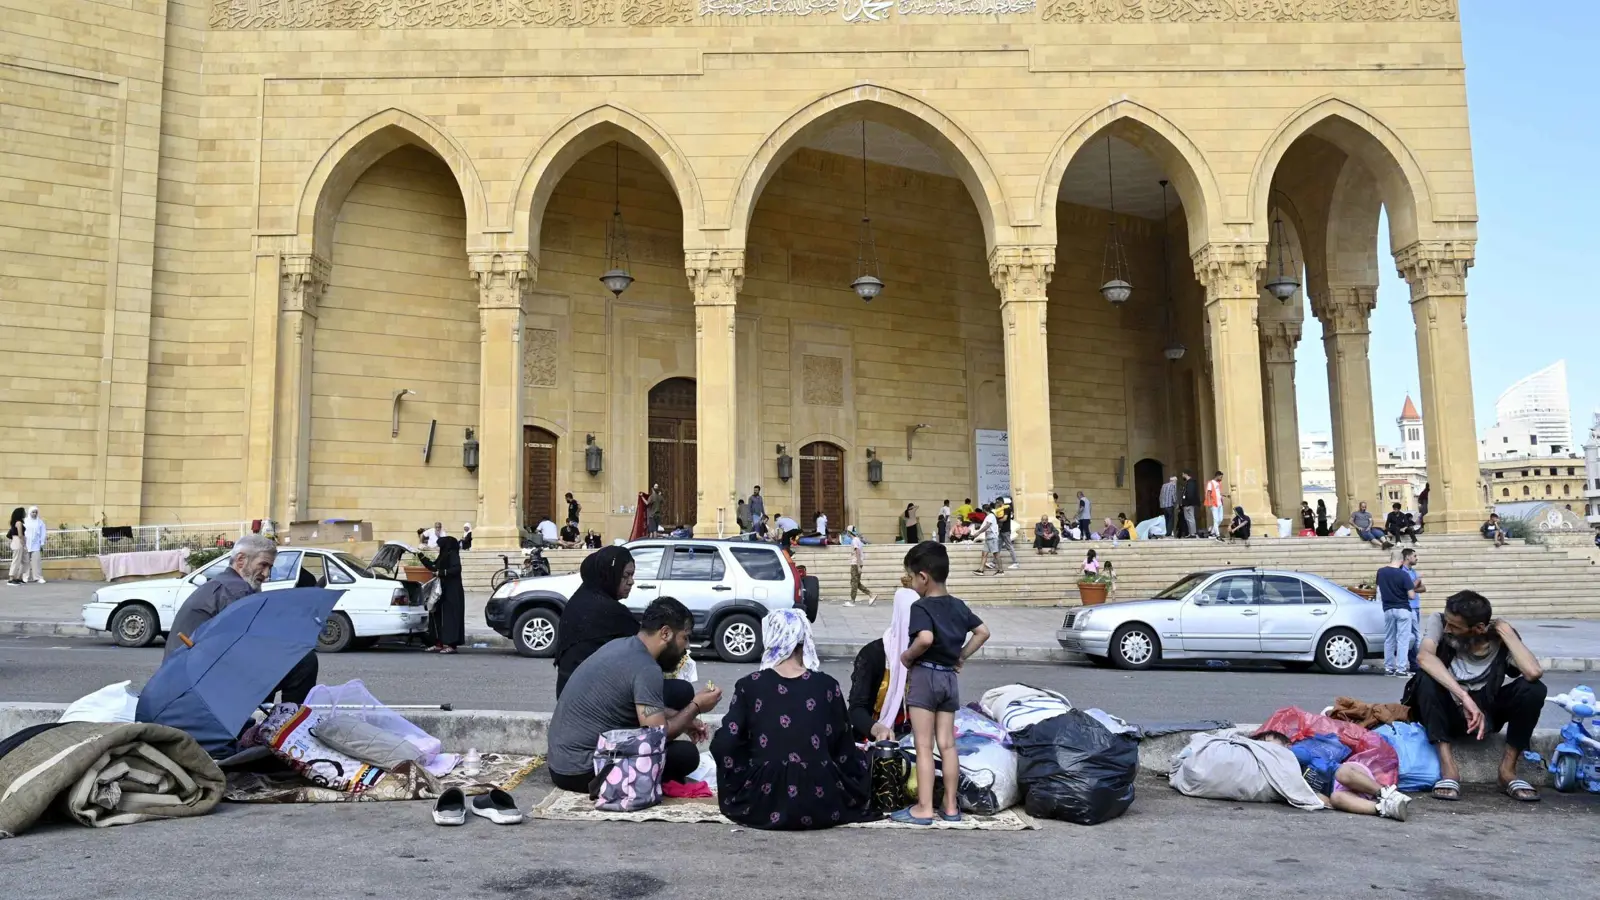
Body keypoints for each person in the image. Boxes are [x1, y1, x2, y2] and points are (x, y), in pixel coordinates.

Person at [712, 609, 871, 830]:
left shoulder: (750, 685)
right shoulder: (827, 685)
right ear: (803, 639)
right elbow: (843, 749)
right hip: (821, 799)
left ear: (770, 638)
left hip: (763, 801)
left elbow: (725, 744)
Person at [546, 597, 722, 794]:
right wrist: (696, 706)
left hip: (560, 763)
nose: (686, 646)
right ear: (665, 633)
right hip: (583, 772)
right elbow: (657, 736)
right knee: (686, 755)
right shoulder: (646, 668)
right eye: (685, 637)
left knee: (680, 691)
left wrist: (681, 719)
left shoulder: (623, 645)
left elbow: (640, 705)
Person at [1411, 590, 1546, 802]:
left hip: (1485, 712)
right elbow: (1424, 657)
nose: (1447, 629)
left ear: (1479, 628)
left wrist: (1505, 630)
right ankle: (1449, 770)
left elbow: (1533, 672)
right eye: (1448, 622)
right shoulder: (1439, 621)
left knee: (1534, 689)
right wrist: (1463, 697)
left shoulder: (1500, 641)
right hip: (1446, 708)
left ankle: (1507, 772)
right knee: (1425, 678)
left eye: (1455, 627)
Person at [894, 542, 990, 825]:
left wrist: (907, 656)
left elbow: (924, 638)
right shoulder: (959, 606)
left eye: (912, 577)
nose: (912, 583)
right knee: (947, 745)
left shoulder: (921, 606)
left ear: (923, 577)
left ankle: (923, 808)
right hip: (949, 677)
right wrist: (961, 656)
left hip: (925, 676)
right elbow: (983, 632)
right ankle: (950, 807)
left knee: (924, 745)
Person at [166, 535, 318, 703]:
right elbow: (254, 644)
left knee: (269, 664)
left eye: (270, 567)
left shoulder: (226, 584)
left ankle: (265, 720)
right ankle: (289, 720)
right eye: (263, 565)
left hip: (194, 675)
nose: (266, 574)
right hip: (201, 681)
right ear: (240, 560)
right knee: (304, 662)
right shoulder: (235, 591)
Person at [1254, 731, 1413, 821]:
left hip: (1348, 776)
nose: (1267, 748)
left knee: (1343, 773)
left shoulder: (1297, 751)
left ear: (1287, 744)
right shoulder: (1279, 773)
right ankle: (1385, 808)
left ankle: (1385, 793)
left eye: (1268, 742)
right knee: (1337, 799)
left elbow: (1303, 757)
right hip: (1339, 792)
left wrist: (1281, 753)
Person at [553, 546, 640, 697]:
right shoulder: (609, 611)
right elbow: (645, 648)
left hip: (568, 694)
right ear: (609, 575)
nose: (631, 582)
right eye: (626, 575)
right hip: (590, 700)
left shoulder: (579, 600)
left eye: (632, 575)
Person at [849, 577, 916, 741]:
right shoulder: (873, 655)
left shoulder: (931, 654)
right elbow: (856, 710)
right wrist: (877, 729)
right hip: (880, 740)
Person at [420, 533, 465, 654]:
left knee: (450, 618)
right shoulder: (443, 556)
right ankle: (438, 643)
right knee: (437, 616)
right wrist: (420, 556)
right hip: (441, 591)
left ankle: (451, 645)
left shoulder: (453, 555)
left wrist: (442, 572)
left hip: (452, 591)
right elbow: (434, 567)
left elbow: (456, 569)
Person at [1376, 548, 1416, 677]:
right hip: (1403, 609)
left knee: (1389, 639)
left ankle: (1389, 667)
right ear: (1401, 560)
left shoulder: (1381, 572)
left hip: (1388, 609)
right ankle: (1401, 668)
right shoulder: (1403, 574)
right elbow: (1411, 596)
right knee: (1402, 640)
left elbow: (1379, 590)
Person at [846, 526, 875, 607]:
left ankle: (852, 601)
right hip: (857, 563)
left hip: (855, 563)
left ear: (849, 532)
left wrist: (858, 566)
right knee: (856, 583)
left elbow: (857, 552)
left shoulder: (854, 541)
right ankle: (871, 595)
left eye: (847, 532)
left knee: (854, 583)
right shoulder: (857, 540)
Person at [20, 507, 47, 584]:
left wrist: (42, 542)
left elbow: (43, 533)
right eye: (33, 512)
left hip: (36, 545)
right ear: (29, 512)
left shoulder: (40, 522)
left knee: (36, 561)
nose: (34, 514)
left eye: (35, 512)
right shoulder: (25, 521)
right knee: (25, 561)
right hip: (26, 544)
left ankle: (37, 577)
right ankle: (25, 577)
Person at [972, 504, 1000, 576]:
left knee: (996, 555)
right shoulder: (989, 516)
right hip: (988, 538)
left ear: (984, 510)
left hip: (992, 538)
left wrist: (978, 532)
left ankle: (1001, 570)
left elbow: (987, 525)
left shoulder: (990, 516)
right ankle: (981, 570)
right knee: (984, 554)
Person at [7, 507, 28, 586]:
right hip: (18, 542)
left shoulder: (18, 522)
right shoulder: (19, 522)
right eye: (23, 512)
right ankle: (11, 578)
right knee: (16, 560)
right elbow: (20, 535)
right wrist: (24, 544)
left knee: (25, 561)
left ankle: (18, 577)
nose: (25, 513)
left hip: (17, 542)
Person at [1205, 471, 1225, 539]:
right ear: (1217, 476)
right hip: (1213, 504)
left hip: (1220, 503)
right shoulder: (1211, 483)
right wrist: (1210, 503)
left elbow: (1218, 493)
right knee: (1216, 519)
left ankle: (1212, 532)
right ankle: (1217, 534)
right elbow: (1208, 493)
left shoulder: (1219, 483)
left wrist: (1224, 496)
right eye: (1221, 477)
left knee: (1220, 519)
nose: (1221, 478)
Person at [1181, 471, 1200, 538]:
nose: (1182, 475)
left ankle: (1193, 533)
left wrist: (1188, 503)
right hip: (1186, 504)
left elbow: (1190, 494)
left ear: (1186, 474)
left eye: (1182, 474)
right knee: (1187, 518)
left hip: (1188, 504)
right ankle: (1190, 533)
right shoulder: (1187, 482)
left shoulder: (1191, 482)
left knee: (1191, 518)